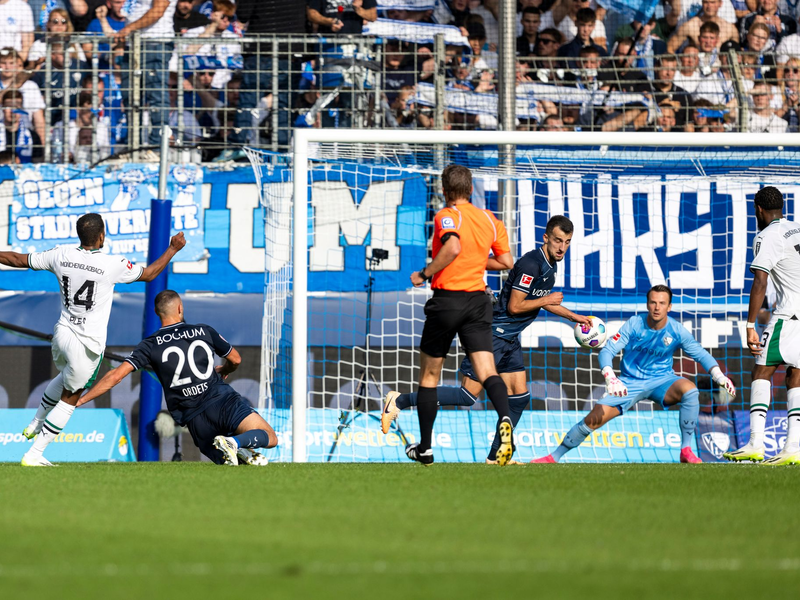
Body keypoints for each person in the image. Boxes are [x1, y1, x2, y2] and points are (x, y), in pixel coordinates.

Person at [382, 216, 590, 464]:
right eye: (558, 240)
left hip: (510, 339)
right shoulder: (531, 265)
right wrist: (546, 300)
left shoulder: (549, 266)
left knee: (520, 398)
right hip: (494, 335)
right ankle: (400, 400)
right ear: (546, 238)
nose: (562, 247)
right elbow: (515, 306)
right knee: (467, 397)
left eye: (567, 242)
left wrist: (574, 317)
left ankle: (496, 456)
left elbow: (545, 301)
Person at [0, 214, 185, 466]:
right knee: (71, 397)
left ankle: (36, 421)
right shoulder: (113, 264)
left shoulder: (61, 254)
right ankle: (35, 454)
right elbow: (151, 274)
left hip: (62, 333)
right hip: (87, 344)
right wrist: (172, 248)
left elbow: (17, 259)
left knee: (65, 377)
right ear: (101, 236)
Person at [533, 284, 736, 464]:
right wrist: (610, 377)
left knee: (690, 391)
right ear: (647, 304)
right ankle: (554, 456)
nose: (657, 307)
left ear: (669, 307)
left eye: (662, 303)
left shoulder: (677, 331)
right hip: (629, 383)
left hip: (662, 381)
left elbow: (700, 353)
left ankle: (686, 449)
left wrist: (719, 376)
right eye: (653, 302)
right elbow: (607, 351)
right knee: (592, 419)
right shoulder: (634, 324)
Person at [77, 290, 278, 465]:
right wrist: (225, 369)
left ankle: (236, 448)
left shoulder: (149, 344)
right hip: (222, 400)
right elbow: (236, 359)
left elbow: (115, 376)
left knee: (230, 464)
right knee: (269, 437)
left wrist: (82, 399)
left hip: (195, 419)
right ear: (180, 308)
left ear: (157, 313)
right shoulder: (203, 330)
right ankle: (235, 443)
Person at [404, 163, 516, 466]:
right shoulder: (490, 219)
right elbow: (506, 260)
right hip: (479, 302)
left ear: (444, 191)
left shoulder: (447, 215)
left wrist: (425, 273)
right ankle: (505, 419)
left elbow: (452, 246)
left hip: (449, 300)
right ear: (470, 189)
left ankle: (425, 448)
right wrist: (478, 262)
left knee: (429, 375)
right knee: (487, 370)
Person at [724, 186, 800, 465]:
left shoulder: (766, 236)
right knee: (795, 374)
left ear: (758, 209)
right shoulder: (796, 228)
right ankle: (793, 446)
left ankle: (756, 443)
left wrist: (749, 325)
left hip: (790, 314)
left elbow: (760, 282)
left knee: (761, 370)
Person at [666, 0, 739, 53]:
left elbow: (737, 53)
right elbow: (670, 48)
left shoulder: (729, 29)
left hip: (720, 69)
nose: (709, 6)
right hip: (695, 69)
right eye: (706, 2)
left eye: (712, 2)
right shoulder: (690, 26)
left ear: (720, 3)